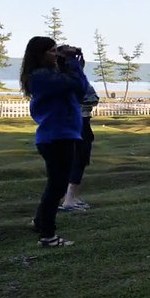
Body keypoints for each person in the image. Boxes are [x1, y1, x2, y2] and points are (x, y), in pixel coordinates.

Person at [20, 36, 90, 247]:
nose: (56, 54)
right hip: (57, 136)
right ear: (39, 55)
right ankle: (48, 236)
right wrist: (72, 62)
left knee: (56, 185)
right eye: (52, 51)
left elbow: (81, 90)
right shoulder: (41, 77)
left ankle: (40, 222)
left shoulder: (51, 75)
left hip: (61, 135)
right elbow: (78, 84)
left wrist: (71, 63)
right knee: (57, 188)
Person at [60, 82, 100, 211]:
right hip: (80, 121)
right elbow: (93, 99)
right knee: (79, 159)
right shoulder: (78, 83)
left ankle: (70, 196)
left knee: (69, 160)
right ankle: (69, 199)